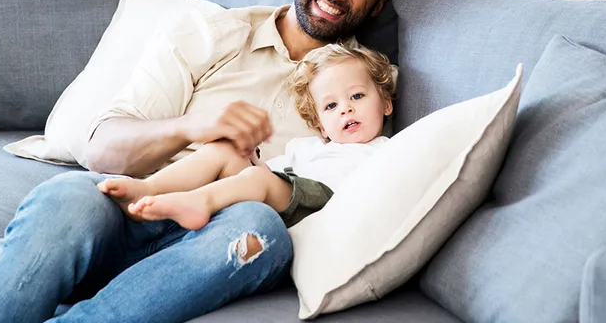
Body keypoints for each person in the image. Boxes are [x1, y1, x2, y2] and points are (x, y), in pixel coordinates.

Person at [0, 0, 398, 323]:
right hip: (130, 212)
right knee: (70, 199)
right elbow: (102, 147)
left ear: (377, 3)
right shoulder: (214, 35)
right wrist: (193, 127)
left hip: (214, 247)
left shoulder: (361, 88)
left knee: (257, 228)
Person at [97, 40, 396, 232]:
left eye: (357, 96)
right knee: (228, 150)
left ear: (385, 103)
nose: (346, 110)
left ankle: (199, 203)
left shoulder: (388, 149)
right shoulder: (306, 147)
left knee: (258, 180)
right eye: (331, 106)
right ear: (320, 125)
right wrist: (252, 160)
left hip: (320, 204)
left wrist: (260, 176)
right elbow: (272, 175)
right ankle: (148, 187)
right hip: (282, 194)